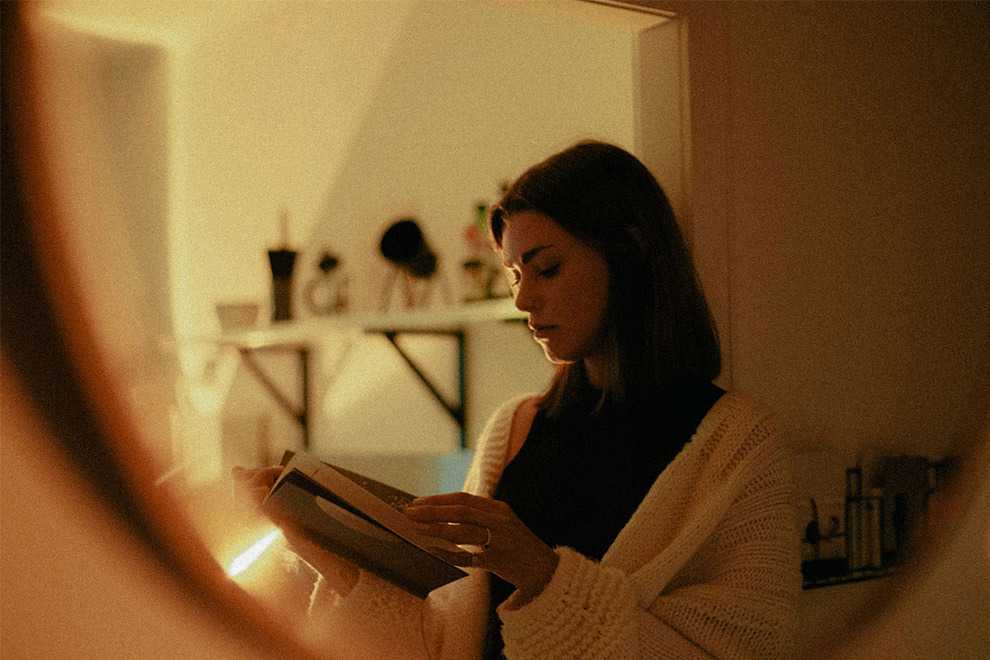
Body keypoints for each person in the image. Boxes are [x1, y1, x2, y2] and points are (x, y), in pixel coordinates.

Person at [237, 141, 801, 659]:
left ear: (629, 253)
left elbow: (752, 647)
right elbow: (452, 634)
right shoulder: (515, 428)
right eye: (513, 276)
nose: (525, 299)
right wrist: (324, 542)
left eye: (547, 268)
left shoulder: (737, 441)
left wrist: (541, 575)